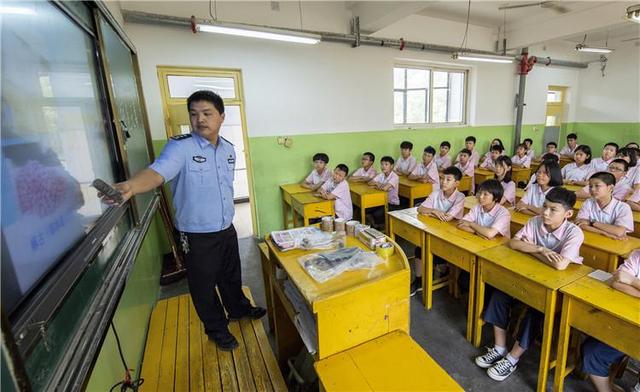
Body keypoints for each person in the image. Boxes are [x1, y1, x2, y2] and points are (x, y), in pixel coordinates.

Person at [99, 90, 265, 351]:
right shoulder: (180, 147)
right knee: (203, 286)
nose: (200, 119)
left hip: (225, 227)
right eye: (194, 114)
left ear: (221, 117)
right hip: (196, 234)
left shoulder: (229, 150)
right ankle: (216, 329)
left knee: (231, 275)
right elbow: (157, 173)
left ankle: (238, 309)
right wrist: (131, 186)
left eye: (207, 113)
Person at [475, 187, 583, 382]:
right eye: (544, 207)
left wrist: (530, 250)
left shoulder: (574, 232)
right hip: (528, 276)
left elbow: (559, 264)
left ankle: (512, 358)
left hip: (556, 288)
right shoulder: (535, 221)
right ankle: (499, 347)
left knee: (536, 311)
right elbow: (514, 244)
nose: (545, 213)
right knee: (499, 293)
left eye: (553, 210)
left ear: (568, 214)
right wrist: (541, 249)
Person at [580, 250, 640, 392]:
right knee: (592, 352)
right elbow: (616, 282)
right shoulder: (637, 255)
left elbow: (625, 279)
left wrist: (632, 281)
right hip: (626, 323)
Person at [574, 172, 634, 240]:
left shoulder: (623, 207)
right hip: (593, 238)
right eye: (590, 186)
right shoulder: (588, 202)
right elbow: (579, 224)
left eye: (597, 186)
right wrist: (604, 233)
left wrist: (591, 222)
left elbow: (619, 232)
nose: (592, 189)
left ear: (610, 188)